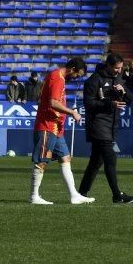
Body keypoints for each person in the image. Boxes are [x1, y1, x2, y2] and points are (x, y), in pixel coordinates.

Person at [29, 58, 94, 205]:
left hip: (56, 128)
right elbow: (53, 102)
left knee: (65, 158)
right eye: (77, 74)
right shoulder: (57, 77)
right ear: (72, 69)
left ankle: (74, 195)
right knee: (42, 161)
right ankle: (34, 196)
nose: (77, 78)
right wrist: (72, 112)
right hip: (47, 125)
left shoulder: (59, 78)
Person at [79, 53, 133, 203]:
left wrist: (123, 92)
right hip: (98, 125)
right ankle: (117, 195)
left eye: (121, 68)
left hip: (111, 126)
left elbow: (130, 99)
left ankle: (82, 192)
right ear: (108, 66)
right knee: (110, 157)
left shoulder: (119, 79)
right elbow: (88, 103)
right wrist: (110, 104)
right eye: (116, 68)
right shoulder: (94, 80)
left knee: (96, 162)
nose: (119, 71)